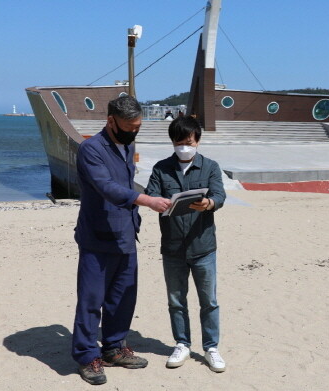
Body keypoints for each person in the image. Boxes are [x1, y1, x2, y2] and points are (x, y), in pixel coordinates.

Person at [72, 95, 171, 385]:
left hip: (126, 234)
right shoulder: (91, 149)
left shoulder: (127, 145)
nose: (134, 131)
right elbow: (106, 187)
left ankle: (114, 348)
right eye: (129, 126)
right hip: (97, 237)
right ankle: (87, 355)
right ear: (111, 120)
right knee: (91, 300)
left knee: (123, 298)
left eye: (138, 126)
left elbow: (125, 183)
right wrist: (146, 200)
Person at [145, 115, 227, 373]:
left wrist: (209, 204)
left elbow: (219, 195)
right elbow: (152, 194)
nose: (184, 147)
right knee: (176, 301)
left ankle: (211, 347)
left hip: (203, 246)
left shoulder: (210, 166)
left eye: (188, 142)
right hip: (172, 248)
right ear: (172, 142)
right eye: (179, 142)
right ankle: (182, 343)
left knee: (209, 301)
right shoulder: (161, 168)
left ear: (198, 141)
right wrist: (157, 202)